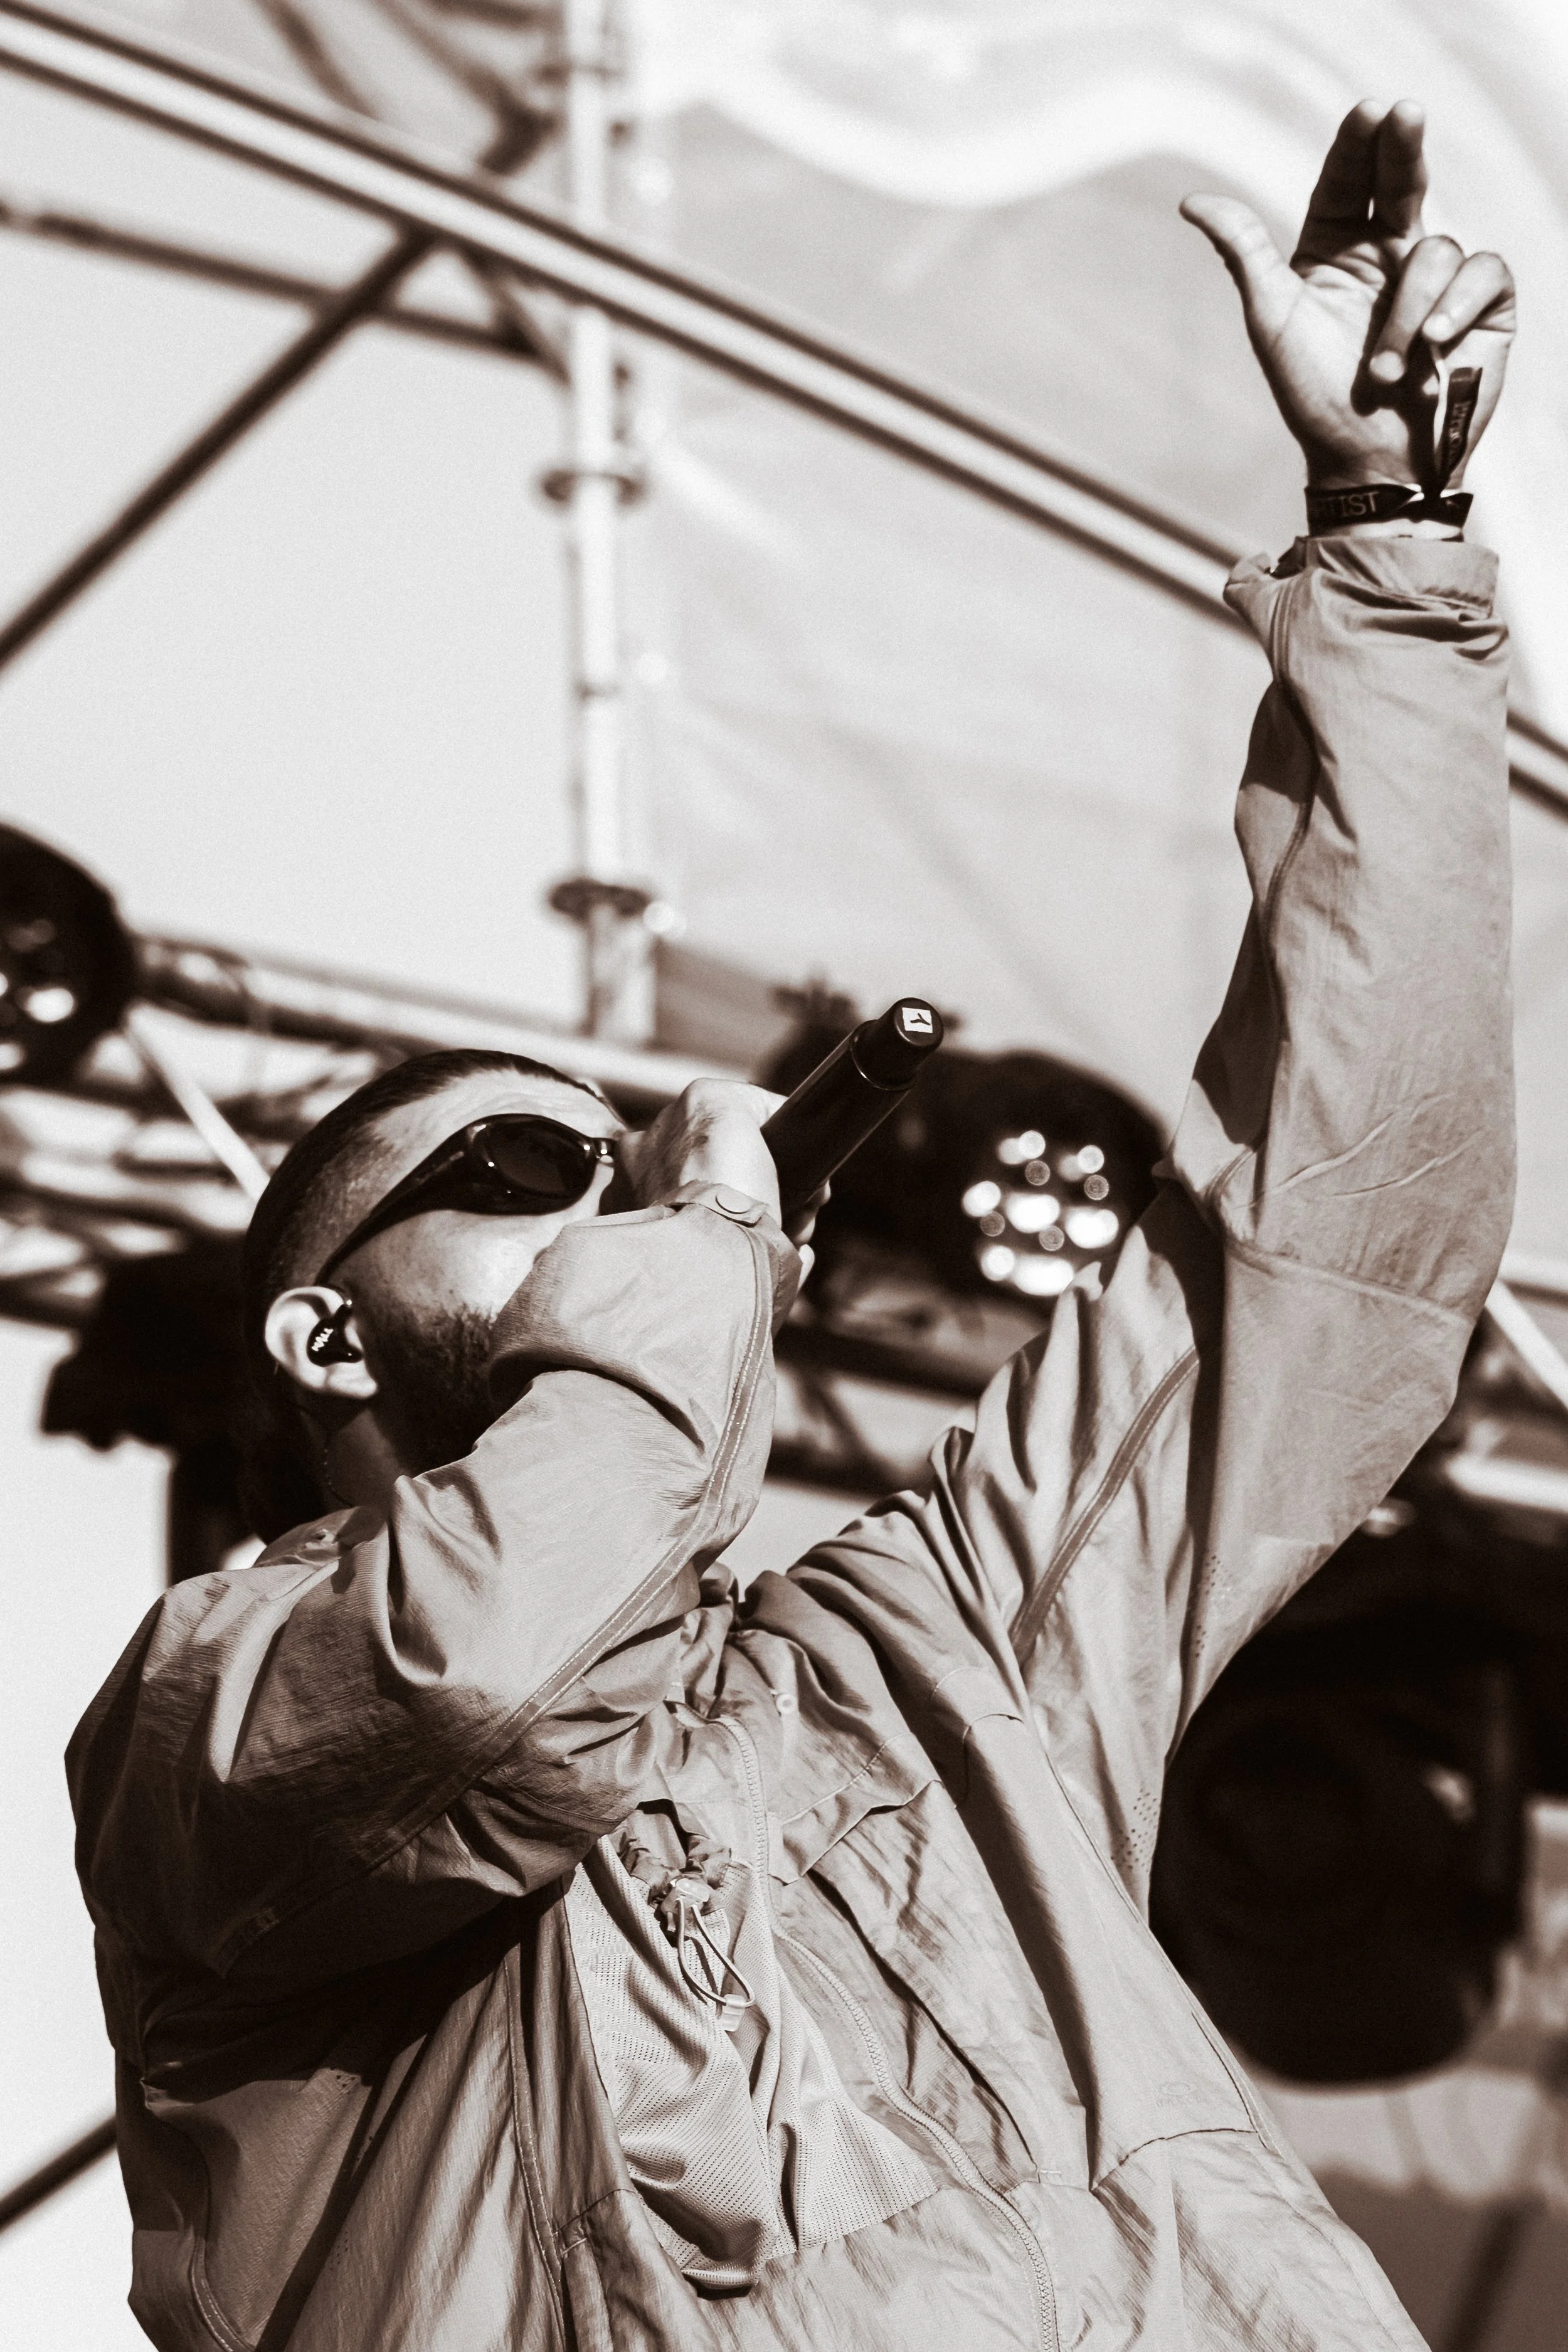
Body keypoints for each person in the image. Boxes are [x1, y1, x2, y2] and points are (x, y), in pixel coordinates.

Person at [70, 100, 1517, 2351]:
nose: (618, 1194)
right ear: (323, 1340)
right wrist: (708, 1241)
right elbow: (491, 1687)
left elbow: (1335, 1244)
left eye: (628, 1166)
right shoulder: (215, 1714)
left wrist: (1387, 553)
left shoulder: (938, 1645)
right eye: (525, 1173)